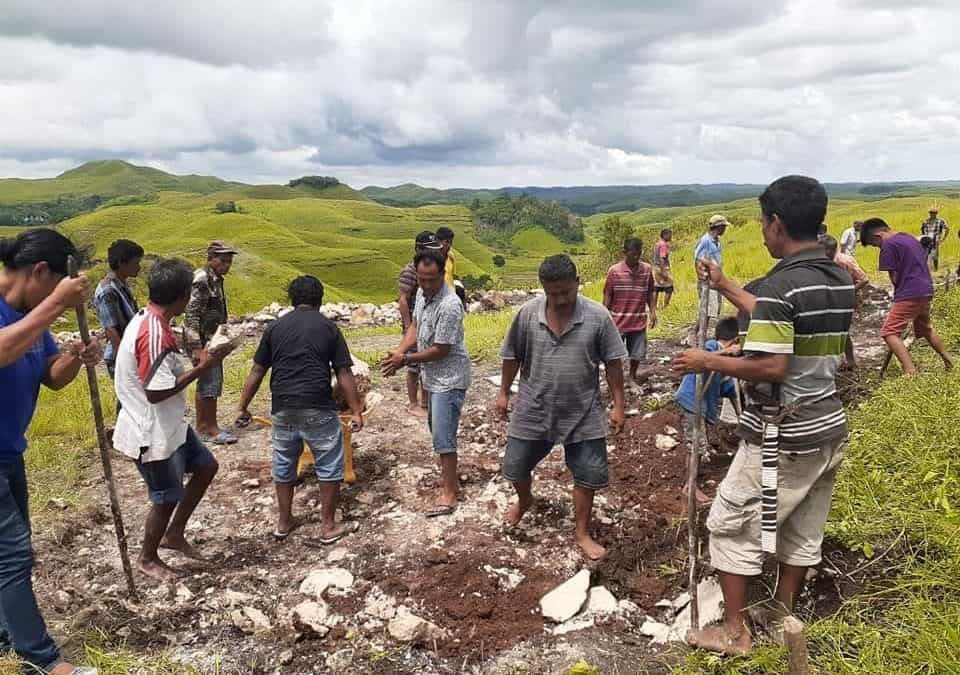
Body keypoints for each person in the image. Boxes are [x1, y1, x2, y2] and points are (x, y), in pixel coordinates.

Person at [674, 175, 854, 656]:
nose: (761, 231)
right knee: (801, 526)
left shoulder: (781, 284)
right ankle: (781, 611)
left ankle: (737, 633)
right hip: (827, 424)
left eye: (762, 222)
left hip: (784, 432)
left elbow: (774, 364)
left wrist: (707, 360)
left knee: (729, 522)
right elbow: (782, 319)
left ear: (775, 223)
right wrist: (728, 284)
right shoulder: (834, 275)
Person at [0, 229, 102, 675]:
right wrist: (57, 304)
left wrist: (77, 357)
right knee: (13, 555)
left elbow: (51, 376)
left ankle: (7, 635)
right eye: (58, 283)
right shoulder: (26, 311)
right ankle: (41, 660)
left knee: (8, 556)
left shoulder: (28, 312)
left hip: (8, 451)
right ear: (40, 272)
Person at [497, 254, 627, 560]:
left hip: (583, 411)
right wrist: (503, 392)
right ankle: (525, 499)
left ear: (577, 284)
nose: (559, 299)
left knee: (588, 475)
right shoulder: (527, 315)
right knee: (514, 467)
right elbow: (512, 356)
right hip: (533, 406)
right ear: (543, 289)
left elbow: (613, 363)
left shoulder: (597, 317)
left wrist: (619, 404)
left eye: (565, 292)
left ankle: (582, 532)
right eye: (552, 293)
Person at [113, 258, 230, 580]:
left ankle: (174, 534)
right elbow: (155, 391)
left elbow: (166, 368)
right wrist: (202, 369)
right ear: (183, 297)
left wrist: (198, 359)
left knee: (206, 466)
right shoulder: (151, 332)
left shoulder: (155, 320)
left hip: (170, 423)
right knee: (166, 496)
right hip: (151, 428)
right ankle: (148, 557)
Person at [237, 275, 364, 543]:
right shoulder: (328, 327)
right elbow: (343, 371)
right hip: (317, 404)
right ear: (320, 300)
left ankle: (284, 521)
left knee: (284, 462)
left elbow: (258, 369)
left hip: (283, 406)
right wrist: (355, 409)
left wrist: (242, 406)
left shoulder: (275, 328)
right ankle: (328, 526)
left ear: (292, 300)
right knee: (328, 464)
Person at [382, 249, 472, 516]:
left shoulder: (450, 304)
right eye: (422, 279)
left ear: (442, 273)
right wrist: (400, 351)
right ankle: (449, 479)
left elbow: (440, 349)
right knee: (436, 428)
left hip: (450, 376)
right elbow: (415, 326)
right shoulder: (422, 294)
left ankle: (449, 493)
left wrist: (405, 359)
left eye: (432, 279)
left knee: (444, 435)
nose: (427, 284)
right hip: (432, 376)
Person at [861, 218, 953, 375]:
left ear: (878, 235)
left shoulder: (888, 245)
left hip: (909, 292)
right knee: (926, 329)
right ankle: (950, 362)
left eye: (874, 244)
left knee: (889, 332)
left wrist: (899, 296)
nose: (878, 247)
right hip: (925, 289)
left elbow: (894, 278)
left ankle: (910, 372)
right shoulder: (908, 237)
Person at [674, 317, 740, 504]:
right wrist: (727, 351)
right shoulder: (711, 346)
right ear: (735, 341)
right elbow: (704, 358)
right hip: (690, 401)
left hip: (698, 405)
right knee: (695, 446)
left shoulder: (722, 363)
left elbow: (730, 391)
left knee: (698, 445)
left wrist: (740, 417)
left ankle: (693, 480)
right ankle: (690, 486)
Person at [184, 241, 238, 445]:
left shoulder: (217, 279)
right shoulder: (202, 279)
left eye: (229, 260)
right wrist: (196, 347)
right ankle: (211, 428)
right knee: (210, 381)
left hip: (213, 338)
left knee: (208, 381)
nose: (227, 264)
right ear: (210, 258)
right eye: (222, 260)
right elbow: (192, 314)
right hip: (203, 340)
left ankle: (203, 426)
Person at [397, 231, 444, 418]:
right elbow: (402, 300)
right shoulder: (410, 271)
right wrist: (409, 326)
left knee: (426, 362)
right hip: (415, 324)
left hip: (427, 323)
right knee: (413, 364)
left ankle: (425, 402)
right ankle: (413, 403)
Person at [93, 239, 143, 414]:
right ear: (122, 263)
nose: (139, 267)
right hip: (121, 354)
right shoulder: (108, 291)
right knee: (130, 400)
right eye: (136, 263)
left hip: (129, 351)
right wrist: (126, 360)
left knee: (133, 398)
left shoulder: (120, 285)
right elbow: (111, 329)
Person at [603, 238, 657, 385]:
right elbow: (608, 293)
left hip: (638, 320)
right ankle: (616, 381)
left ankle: (632, 377)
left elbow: (651, 291)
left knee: (637, 354)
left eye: (638, 254)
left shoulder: (646, 270)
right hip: (618, 322)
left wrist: (653, 311)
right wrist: (604, 314)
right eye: (632, 254)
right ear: (624, 253)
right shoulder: (614, 271)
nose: (636, 257)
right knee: (615, 356)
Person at [822, 235, 869, 368]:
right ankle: (841, 359)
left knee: (842, 329)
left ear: (831, 250)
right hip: (830, 298)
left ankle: (849, 360)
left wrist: (848, 290)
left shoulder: (845, 261)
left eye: (823, 251)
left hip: (848, 299)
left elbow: (864, 279)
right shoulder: (822, 262)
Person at [687, 215, 728, 347]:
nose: (725, 229)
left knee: (712, 309)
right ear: (718, 227)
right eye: (724, 226)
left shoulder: (717, 241)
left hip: (715, 279)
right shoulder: (705, 241)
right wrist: (703, 277)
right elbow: (698, 260)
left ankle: (698, 334)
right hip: (707, 281)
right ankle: (696, 334)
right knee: (707, 309)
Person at [652, 229, 674, 308]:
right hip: (662, 267)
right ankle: (665, 306)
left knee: (656, 287)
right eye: (669, 235)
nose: (671, 236)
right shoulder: (663, 245)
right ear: (665, 235)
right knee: (669, 287)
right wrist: (664, 271)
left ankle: (654, 306)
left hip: (655, 267)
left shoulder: (657, 244)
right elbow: (662, 258)